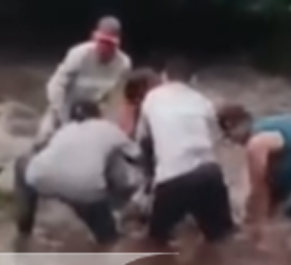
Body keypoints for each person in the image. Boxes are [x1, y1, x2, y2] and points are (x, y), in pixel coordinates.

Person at [13, 99, 143, 247]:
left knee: (22, 163)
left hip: (42, 177)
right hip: (86, 188)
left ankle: (24, 230)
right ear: (99, 115)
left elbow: (41, 150)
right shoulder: (109, 128)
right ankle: (108, 239)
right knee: (109, 240)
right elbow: (138, 155)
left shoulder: (64, 130)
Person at [134, 59, 234, 245]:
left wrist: (149, 180)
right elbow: (216, 141)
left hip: (173, 178)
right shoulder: (202, 101)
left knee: (154, 242)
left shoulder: (152, 98)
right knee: (221, 239)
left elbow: (142, 140)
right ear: (192, 80)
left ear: (164, 77)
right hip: (210, 173)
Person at [34, 16, 132, 151]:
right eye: (102, 41)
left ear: (118, 44)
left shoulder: (123, 64)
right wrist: (62, 116)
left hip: (93, 112)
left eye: (110, 44)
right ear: (93, 38)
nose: (105, 48)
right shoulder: (78, 55)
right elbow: (56, 85)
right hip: (64, 106)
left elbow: (115, 99)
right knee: (43, 140)